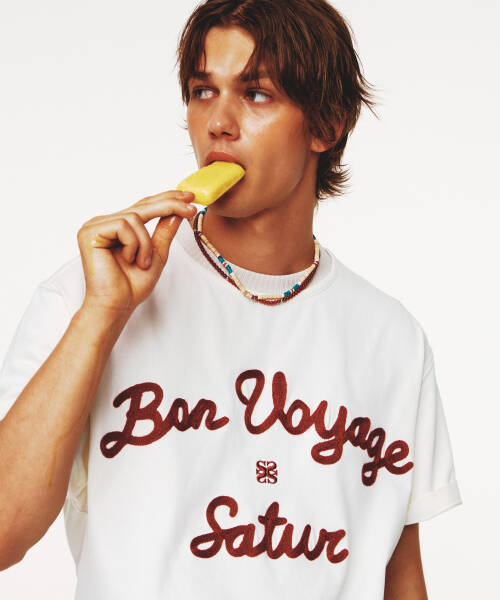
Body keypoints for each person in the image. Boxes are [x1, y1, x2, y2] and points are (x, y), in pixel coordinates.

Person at [0, 1, 462, 598]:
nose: (218, 122)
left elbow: (400, 576)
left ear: (326, 124)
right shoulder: (86, 295)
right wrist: (102, 315)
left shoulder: (391, 338)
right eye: (202, 91)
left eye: (256, 94)